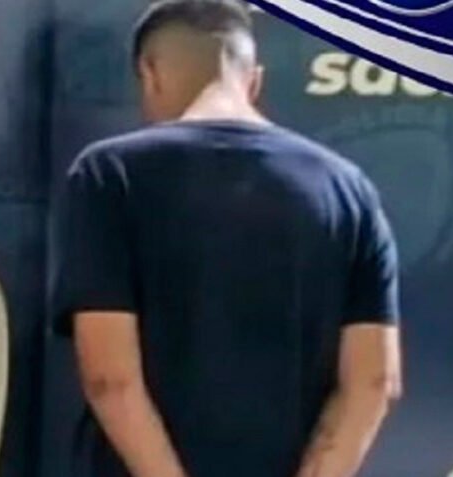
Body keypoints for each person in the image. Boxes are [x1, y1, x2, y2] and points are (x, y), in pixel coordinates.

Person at [49, 1, 403, 476]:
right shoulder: (348, 189)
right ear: (254, 80)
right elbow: (375, 380)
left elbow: (109, 379)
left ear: (150, 73)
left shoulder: (109, 174)